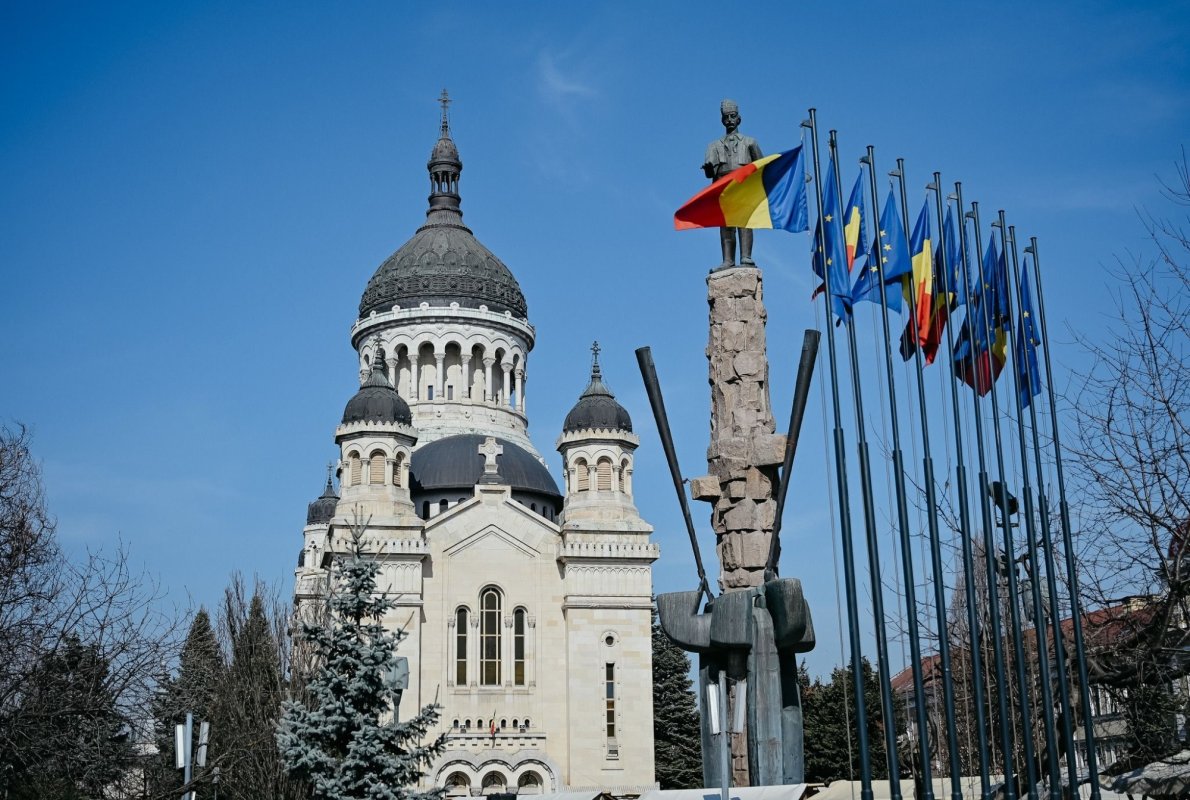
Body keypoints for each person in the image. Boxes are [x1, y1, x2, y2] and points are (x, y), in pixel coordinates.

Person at [702, 99, 763, 270]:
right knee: (726, 225)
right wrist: (708, 168)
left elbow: (762, 167)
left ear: (739, 119)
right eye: (726, 117)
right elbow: (710, 174)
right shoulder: (713, 146)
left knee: (744, 222)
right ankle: (728, 260)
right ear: (722, 120)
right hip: (724, 189)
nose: (729, 120)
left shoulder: (750, 142)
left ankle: (746, 256)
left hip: (744, 188)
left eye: (732, 116)